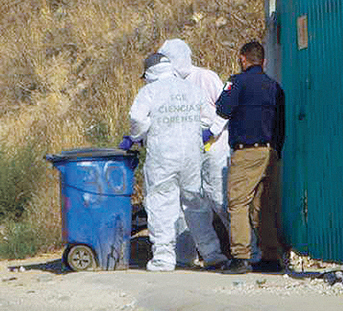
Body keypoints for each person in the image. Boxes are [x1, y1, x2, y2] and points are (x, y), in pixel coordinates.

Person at [120, 53, 220, 272]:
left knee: (161, 204)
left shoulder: (149, 92)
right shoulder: (190, 89)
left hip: (162, 156)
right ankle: (212, 253)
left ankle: (164, 257)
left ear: (148, 74)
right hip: (192, 156)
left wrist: (136, 136)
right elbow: (209, 118)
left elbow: (137, 119)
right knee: (195, 203)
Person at [157, 38, 231, 269]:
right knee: (192, 204)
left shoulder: (205, 77)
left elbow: (225, 108)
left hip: (215, 148)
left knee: (220, 199)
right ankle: (211, 255)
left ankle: (249, 251)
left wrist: (212, 131)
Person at [215, 40, 285, 274]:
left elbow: (223, 109)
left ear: (243, 59)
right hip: (270, 152)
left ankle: (240, 256)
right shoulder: (275, 86)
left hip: (246, 151)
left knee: (238, 203)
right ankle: (271, 256)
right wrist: (276, 151)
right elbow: (281, 124)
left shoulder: (237, 82)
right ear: (263, 61)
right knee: (263, 206)